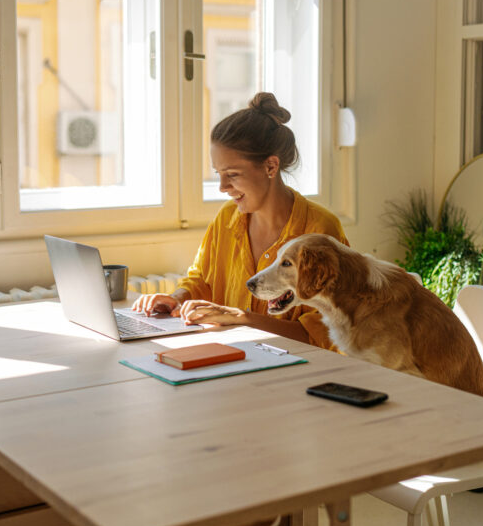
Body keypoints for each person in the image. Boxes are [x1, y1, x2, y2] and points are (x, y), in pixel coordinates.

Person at [132, 92, 348, 348]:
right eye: (218, 174)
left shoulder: (320, 230)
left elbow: (324, 336)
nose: (223, 186)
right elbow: (202, 280)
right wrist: (177, 298)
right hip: (232, 358)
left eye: (232, 174)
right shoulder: (227, 218)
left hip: (295, 370)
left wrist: (244, 319)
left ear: (270, 166)